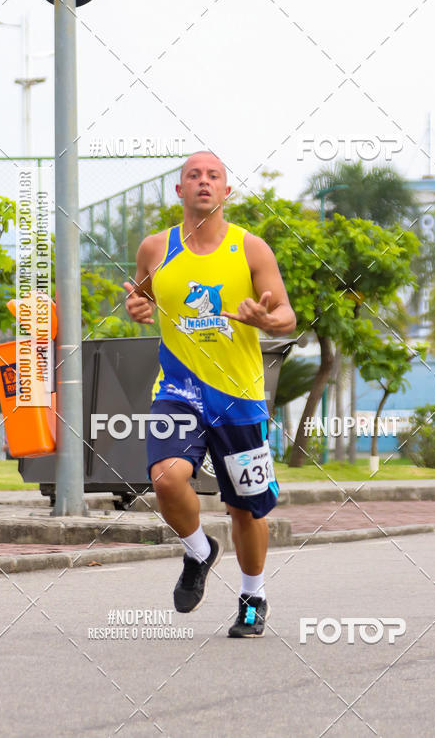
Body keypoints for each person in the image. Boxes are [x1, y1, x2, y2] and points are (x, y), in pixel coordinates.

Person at [123, 151, 296, 638]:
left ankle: (253, 596)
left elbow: (286, 315)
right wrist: (137, 305)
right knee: (166, 479)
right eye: (193, 176)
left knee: (245, 507)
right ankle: (199, 551)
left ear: (226, 190)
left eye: (213, 176)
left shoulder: (252, 249)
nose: (203, 182)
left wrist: (268, 320)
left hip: (239, 396)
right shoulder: (156, 248)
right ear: (179, 191)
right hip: (178, 389)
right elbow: (142, 295)